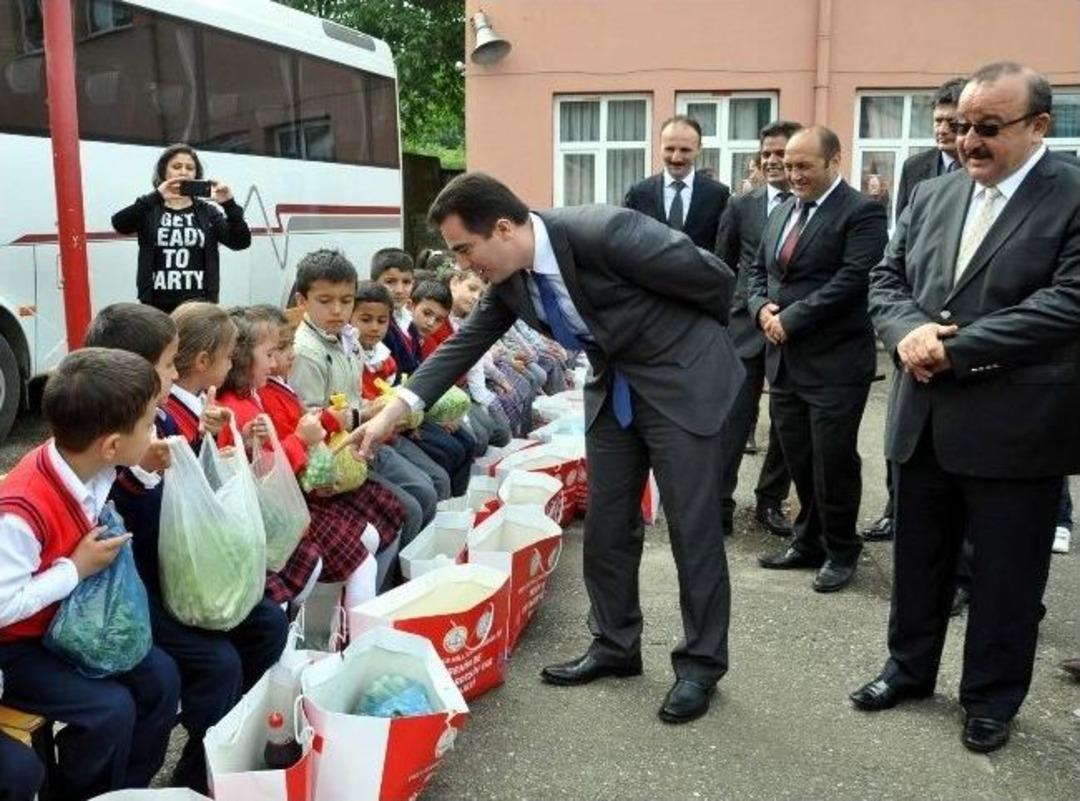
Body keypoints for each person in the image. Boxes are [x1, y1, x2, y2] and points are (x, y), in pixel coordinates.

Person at [339, 172, 743, 724]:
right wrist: (393, 411)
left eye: (465, 249)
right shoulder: (510, 280)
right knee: (607, 523)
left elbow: (714, 280)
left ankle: (700, 665)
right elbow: (463, 345)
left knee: (692, 528)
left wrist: (687, 348)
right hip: (616, 389)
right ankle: (615, 644)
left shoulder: (605, 231)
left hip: (681, 383)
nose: (463, 266)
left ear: (503, 228)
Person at [852, 62, 1080, 754]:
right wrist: (907, 332)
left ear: (1039, 126)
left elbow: (1069, 301)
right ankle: (908, 669)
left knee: (1008, 576)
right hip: (922, 419)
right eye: (960, 128)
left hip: (1017, 428)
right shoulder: (935, 192)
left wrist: (959, 347)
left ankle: (990, 698)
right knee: (919, 560)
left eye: (987, 128)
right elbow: (887, 278)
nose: (968, 142)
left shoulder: (1071, 196)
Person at [88, 303, 288, 793]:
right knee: (217, 663)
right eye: (168, 364)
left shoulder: (163, 420)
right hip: (133, 588)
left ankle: (225, 748)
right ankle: (196, 771)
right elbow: (112, 500)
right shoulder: (106, 433)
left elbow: (189, 499)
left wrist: (210, 443)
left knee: (266, 623)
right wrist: (147, 469)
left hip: (178, 570)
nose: (176, 375)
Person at [0, 348, 181, 800]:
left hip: (67, 626)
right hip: (18, 646)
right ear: (111, 445)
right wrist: (74, 570)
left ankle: (125, 789)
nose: (156, 428)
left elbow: (115, 481)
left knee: (160, 678)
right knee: (109, 711)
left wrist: (142, 465)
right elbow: (3, 608)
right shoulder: (20, 511)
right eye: (148, 423)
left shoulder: (93, 465)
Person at [748, 126, 888, 593]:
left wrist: (793, 318)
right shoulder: (783, 209)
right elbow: (756, 270)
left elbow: (853, 279)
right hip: (784, 361)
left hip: (835, 363)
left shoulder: (862, 212)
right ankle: (808, 540)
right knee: (798, 457)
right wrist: (759, 308)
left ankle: (842, 548)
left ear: (834, 161)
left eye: (804, 166)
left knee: (834, 461)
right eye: (788, 166)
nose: (793, 175)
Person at [863, 77, 966, 543]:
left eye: (953, 121)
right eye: (939, 121)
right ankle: (894, 509)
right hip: (915, 325)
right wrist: (908, 328)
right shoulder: (919, 168)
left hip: (965, 334)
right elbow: (899, 256)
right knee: (901, 439)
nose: (945, 130)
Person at [289, 249, 437, 541]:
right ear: (302, 301)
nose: (337, 311)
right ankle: (393, 583)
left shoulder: (347, 338)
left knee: (429, 488)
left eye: (345, 301)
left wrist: (382, 407)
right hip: (338, 456)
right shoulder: (306, 352)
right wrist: (364, 414)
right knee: (411, 508)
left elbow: (355, 395)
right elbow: (312, 419)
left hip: (367, 437)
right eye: (325, 301)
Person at [714, 120, 801, 538]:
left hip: (791, 329)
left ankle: (770, 501)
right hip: (743, 328)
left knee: (784, 424)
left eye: (780, 153)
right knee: (732, 418)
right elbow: (721, 263)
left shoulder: (810, 207)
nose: (771, 161)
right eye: (766, 153)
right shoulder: (741, 205)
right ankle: (719, 503)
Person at [111, 143, 251, 313]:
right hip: (155, 306)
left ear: (196, 175)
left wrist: (229, 204)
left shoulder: (207, 211)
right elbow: (120, 224)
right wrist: (156, 196)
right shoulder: (150, 207)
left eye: (190, 168)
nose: (183, 172)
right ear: (164, 172)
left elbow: (240, 242)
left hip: (200, 306)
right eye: (176, 166)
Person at [623, 115, 731, 249]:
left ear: (699, 149)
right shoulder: (638, 194)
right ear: (660, 147)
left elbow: (724, 250)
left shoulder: (718, 196)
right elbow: (628, 246)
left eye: (685, 150)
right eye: (670, 149)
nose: (676, 158)